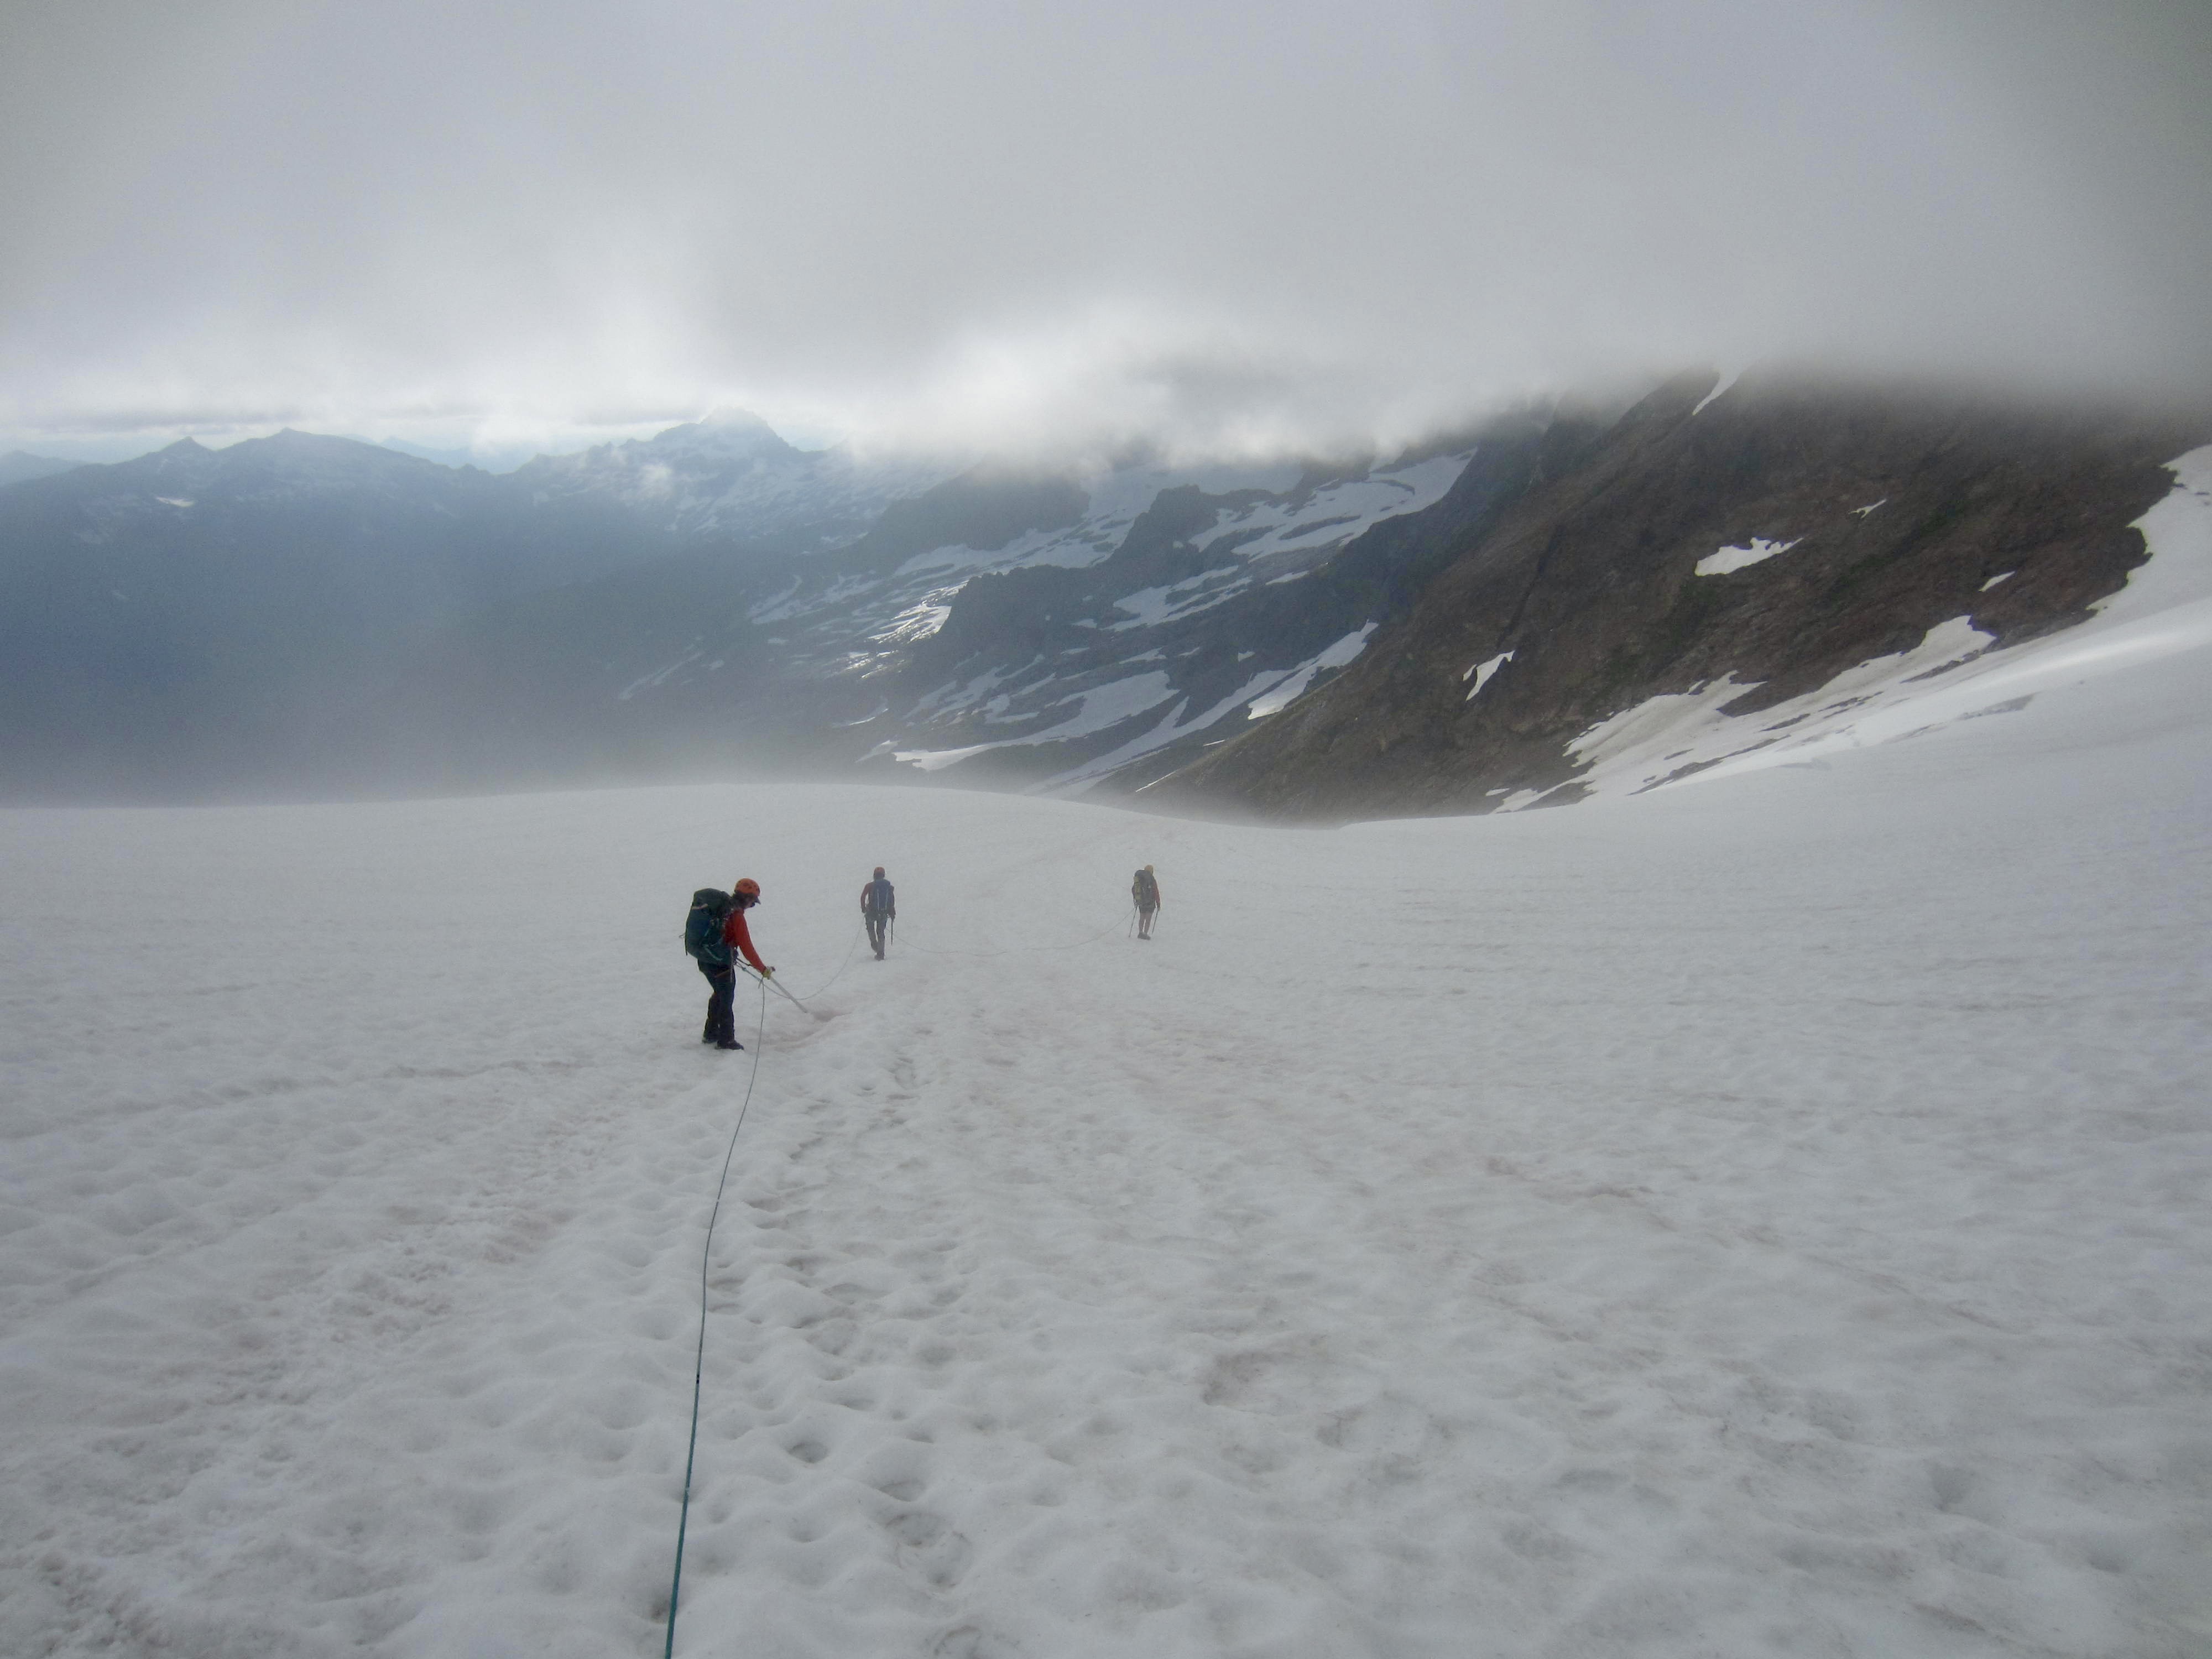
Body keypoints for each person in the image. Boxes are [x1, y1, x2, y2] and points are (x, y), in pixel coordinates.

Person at [698, 877, 774, 1050]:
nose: (751, 906)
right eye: (753, 903)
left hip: (704, 958)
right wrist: (762, 969)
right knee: (726, 999)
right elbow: (747, 947)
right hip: (721, 963)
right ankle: (726, 1040)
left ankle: (710, 1033)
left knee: (719, 994)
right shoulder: (736, 916)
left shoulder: (721, 909)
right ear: (747, 899)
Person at [860, 866, 896, 959]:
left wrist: (864, 908)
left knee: (870, 929)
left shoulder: (869, 886)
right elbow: (892, 900)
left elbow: (863, 897)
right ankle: (881, 953)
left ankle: (875, 945)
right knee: (881, 932)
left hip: (871, 912)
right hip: (884, 912)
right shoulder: (889, 887)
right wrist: (892, 911)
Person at [1132, 864, 1162, 940]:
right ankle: (1145, 934)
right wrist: (1158, 904)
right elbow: (1156, 892)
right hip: (1150, 902)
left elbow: (1134, 889)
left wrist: (1136, 899)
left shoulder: (1139, 878)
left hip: (1141, 902)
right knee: (1148, 919)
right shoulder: (1152, 880)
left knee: (1142, 918)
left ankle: (1140, 932)